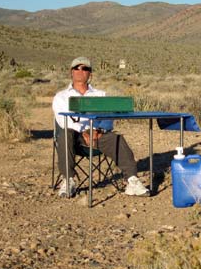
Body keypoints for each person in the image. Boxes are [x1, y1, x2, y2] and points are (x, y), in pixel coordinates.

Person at [52, 56, 149, 197]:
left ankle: (132, 181)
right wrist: (84, 131)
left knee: (116, 139)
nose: (80, 71)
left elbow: (108, 118)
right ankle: (68, 181)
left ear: (90, 73)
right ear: (71, 72)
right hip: (74, 139)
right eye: (76, 68)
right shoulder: (61, 96)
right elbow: (63, 121)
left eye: (85, 68)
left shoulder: (100, 95)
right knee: (65, 133)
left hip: (98, 135)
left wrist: (98, 129)